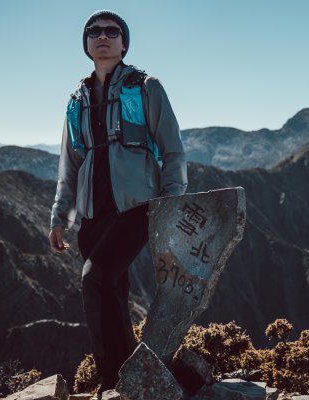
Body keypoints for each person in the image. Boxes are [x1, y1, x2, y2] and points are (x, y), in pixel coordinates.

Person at [48, 10, 187, 393]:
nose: (102, 36)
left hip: (136, 207)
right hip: (92, 215)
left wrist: (171, 202)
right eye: (94, 32)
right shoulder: (76, 100)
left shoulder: (146, 86)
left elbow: (172, 150)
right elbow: (69, 166)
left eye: (112, 31)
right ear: (86, 45)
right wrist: (59, 217)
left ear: (124, 43)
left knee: (95, 278)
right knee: (111, 295)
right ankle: (134, 378)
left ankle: (114, 380)